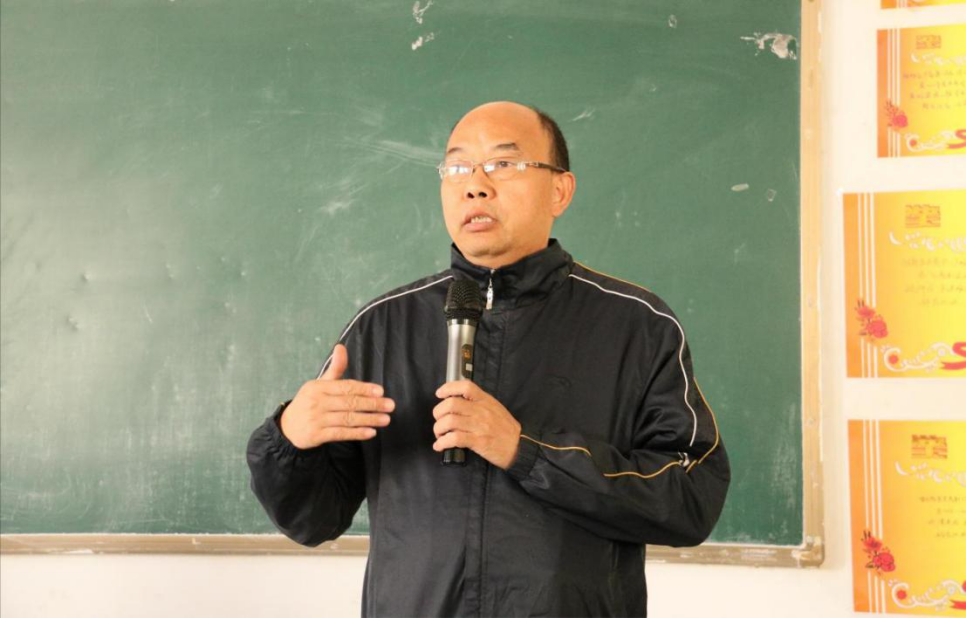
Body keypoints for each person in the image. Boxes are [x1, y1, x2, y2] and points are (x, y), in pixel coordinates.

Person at [246, 100, 730, 618]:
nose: (475, 185)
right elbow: (314, 520)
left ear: (560, 190)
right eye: (457, 168)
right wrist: (291, 441)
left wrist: (525, 452)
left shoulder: (636, 324)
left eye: (504, 163)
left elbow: (691, 498)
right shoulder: (382, 327)